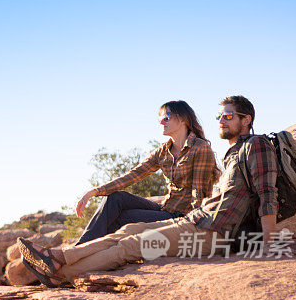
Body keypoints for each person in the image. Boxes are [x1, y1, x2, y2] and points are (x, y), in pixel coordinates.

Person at [20, 95, 277, 286]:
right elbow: (134, 174)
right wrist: (95, 191)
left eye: (228, 116)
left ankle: (60, 275)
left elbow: (267, 193)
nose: (221, 120)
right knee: (127, 229)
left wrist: (268, 244)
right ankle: (59, 256)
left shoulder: (255, 144)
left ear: (247, 120)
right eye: (219, 116)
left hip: (213, 231)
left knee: (131, 244)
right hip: (198, 222)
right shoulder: (233, 152)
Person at [74, 100, 220, 245]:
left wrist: (190, 226)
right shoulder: (163, 151)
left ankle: (81, 252)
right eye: (160, 119)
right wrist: (94, 192)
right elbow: (133, 175)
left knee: (122, 218)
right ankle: (82, 249)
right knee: (115, 198)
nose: (161, 123)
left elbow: (199, 194)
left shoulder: (200, 148)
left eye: (166, 118)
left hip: (182, 216)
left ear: (182, 119)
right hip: (166, 208)